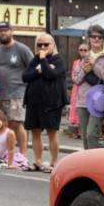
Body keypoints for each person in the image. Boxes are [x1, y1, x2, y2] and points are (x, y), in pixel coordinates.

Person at [0, 21, 34, 157]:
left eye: (5, 30)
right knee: (0, 125)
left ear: (12, 31)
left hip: (17, 94)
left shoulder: (22, 49)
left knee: (17, 124)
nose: (2, 33)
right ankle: (6, 154)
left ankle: (23, 155)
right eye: (0, 31)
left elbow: (33, 67)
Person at [22, 34, 66, 172]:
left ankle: (53, 163)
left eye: (45, 44)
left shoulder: (58, 60)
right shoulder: (34, 60)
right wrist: (38, 70)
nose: (42, 47)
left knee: (52, 131)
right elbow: (25, 77)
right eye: (39, 45)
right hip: (34, 101)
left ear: (52, 45)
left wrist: (43, 61)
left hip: (52, 102)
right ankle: (38, 161)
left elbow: (51, 75)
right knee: (35, 131)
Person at [72, 25, 104, 150]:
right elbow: (76, 80)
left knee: (91, 135)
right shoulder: (84, 56)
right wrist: (85, 71)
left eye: (100, 37)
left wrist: (95, 66)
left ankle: (98, 164)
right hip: (82, 101)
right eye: (93, 37)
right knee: (85, 138)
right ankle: (89, 165)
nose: (96, 39)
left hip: (98, 101)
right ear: (89, 39)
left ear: (103, 39)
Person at [68, 42, 90, 138]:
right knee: (75, 108)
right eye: (81, 50)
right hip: (76, 87)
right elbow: (73, 74)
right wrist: (75, 78)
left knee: (84, 108)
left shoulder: (89, 61)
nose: (83, 52)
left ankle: (82, 131)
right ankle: (75, 132)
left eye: (85, 50)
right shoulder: (76, 62)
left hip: (85, 87)